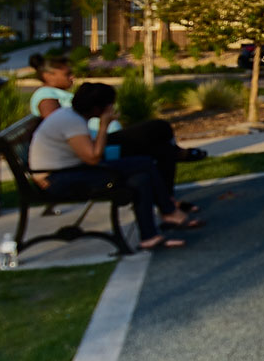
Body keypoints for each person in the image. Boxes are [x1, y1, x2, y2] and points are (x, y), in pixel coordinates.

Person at [26, 53, 208, 214]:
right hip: (97, 145)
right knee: (158, 127)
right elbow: (59, 125)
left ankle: (168, 201)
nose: (72, 76)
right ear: (47, 75)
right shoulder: (46, 96)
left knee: (161, 149)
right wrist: (103, 124)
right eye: (67, 74)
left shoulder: (57, 94)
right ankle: (173, 173)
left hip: (101, 142)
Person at [27, 82, 183, 252]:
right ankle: (168, 211)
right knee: (144, 163)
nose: (112, 108)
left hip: (66, 172)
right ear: (96, 108)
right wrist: (103, 126)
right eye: (109, 105)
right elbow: (93, 158)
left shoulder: (71, 116)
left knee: (140, 178)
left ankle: (150, 237)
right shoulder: (71, 121)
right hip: (57, 180)